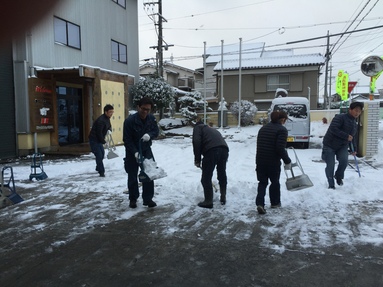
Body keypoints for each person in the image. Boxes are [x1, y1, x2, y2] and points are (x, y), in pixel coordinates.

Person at [123, 97, 159, 208]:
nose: (145, 112)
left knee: (149, 173)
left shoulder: (151, 119)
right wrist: (134, 152)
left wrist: (150, 135)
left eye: (148, 110)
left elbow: (156, 131)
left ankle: (148, 199)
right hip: (132, 151)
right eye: (143, 109)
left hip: (146, 150)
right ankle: (133, 199)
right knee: (132, 175)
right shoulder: (130, 121)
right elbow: (127, 139)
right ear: (138, 107)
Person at [255, 111, 291, 215]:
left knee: (262, 183)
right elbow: (280, 148)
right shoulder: (282, 130)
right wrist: (287, 160)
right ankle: (275, 203)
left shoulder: (263, 128)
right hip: (273, 162)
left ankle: (260, 204)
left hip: (260, 160)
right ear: (282, 119)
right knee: (274, 182)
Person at [321, 101, 363, 189]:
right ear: (350, 110)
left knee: (344, 162)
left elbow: (352, 137)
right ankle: (331, 184)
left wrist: (354, 149)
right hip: (330, 144)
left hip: (342, 146)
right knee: (330, 165)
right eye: (356, 110)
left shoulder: (354, 123)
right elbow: (333, 129)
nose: (357, 113)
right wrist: (346, 136)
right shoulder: (340, 118)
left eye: (359, 111)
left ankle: (338, 176)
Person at [192, 118, 229, 208]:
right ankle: (223, 196)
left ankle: (208, 201)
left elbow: (196, 141)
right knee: (221, 173)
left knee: (206, 177)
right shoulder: (211, 129)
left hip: (212, 151)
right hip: (224, 150)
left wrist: (197, 159)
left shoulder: (197, 128)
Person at [88, 104, 114, 177]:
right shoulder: (101, 120)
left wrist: (109, 130)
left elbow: (109, 126)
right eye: (110, 112)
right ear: (106, 112)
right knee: (99, 155)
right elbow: (99, 133)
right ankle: (101, 171)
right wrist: (104, 142)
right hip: (94, 139)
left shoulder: (107, 119)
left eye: (112, 112)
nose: (111, 114)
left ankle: (98, 167)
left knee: (102, 154)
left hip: (99, 139)